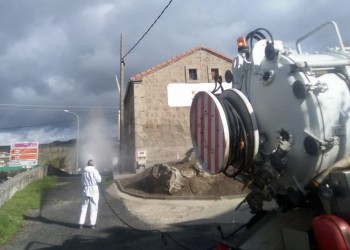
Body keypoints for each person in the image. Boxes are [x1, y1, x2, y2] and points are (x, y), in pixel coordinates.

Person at [78, 159, 102, 229]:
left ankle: (81, 223)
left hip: (86, 189)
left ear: (87, 164)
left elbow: (82, 181)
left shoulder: (84, 172)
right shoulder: (94, 171)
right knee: (93, 206)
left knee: (84, 206)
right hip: (94, 189)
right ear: (93, 164)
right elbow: (99, 180)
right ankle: (92, 224)